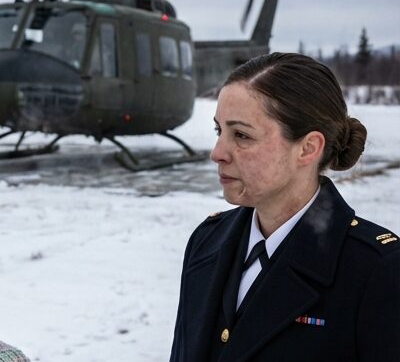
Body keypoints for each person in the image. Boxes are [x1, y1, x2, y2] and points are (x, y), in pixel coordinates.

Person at [169, 52, 399, 362]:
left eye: (241, 135)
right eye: (219, 131)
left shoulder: (376, 269)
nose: (217, 153)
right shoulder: (206, 241)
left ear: (307, 148)